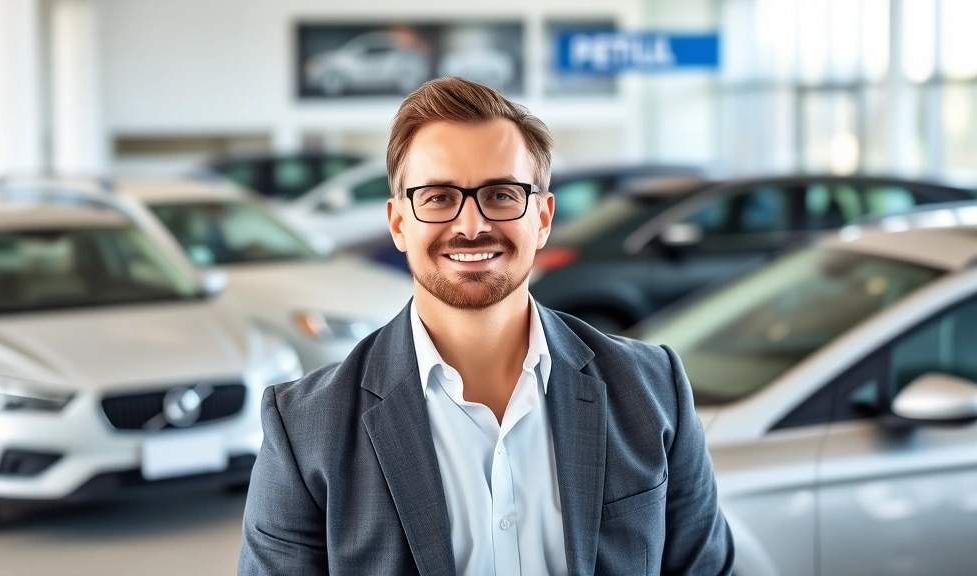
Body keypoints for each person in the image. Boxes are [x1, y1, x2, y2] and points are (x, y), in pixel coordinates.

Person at [238, 76, 735, 576]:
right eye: (437, 197)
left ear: (542, 218)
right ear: (397, 223)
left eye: (500, 194)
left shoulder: (652, 389)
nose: (471, 225)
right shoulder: (306, 431)